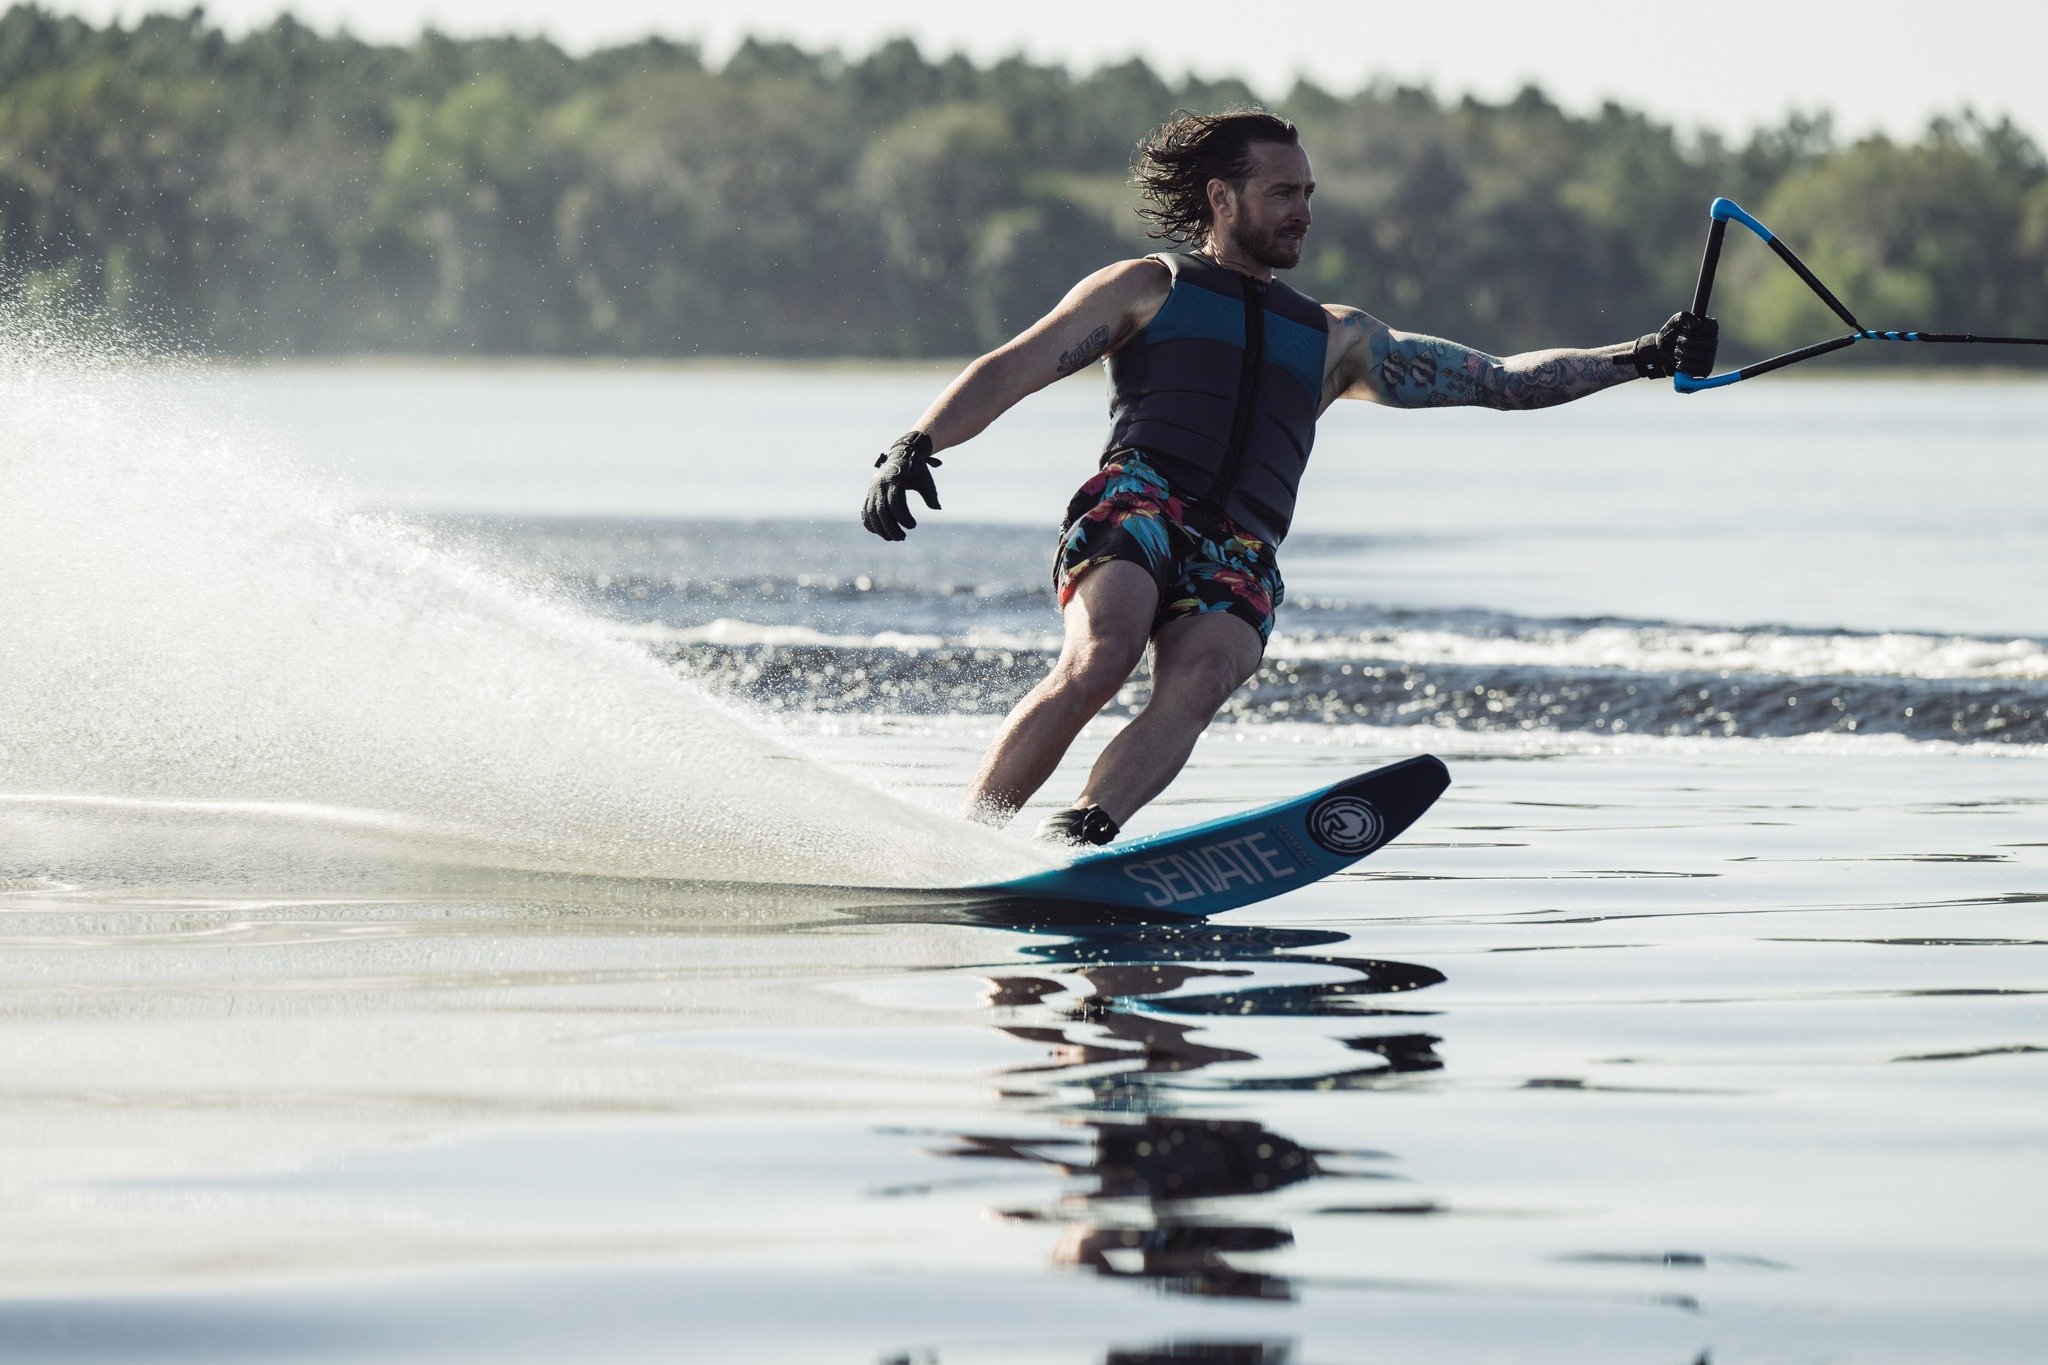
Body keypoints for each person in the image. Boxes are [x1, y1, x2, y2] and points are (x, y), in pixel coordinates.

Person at [861, 110, 1717, 846]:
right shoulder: (1149, 287)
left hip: (1240, 542)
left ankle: (1078, 833)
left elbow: (1505, 380)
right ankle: (967, 841)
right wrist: (918, 443)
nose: (1304, 213)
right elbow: (1016, 365)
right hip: (1142, 503)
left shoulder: (1337, 338)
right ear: (1221, 199)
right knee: (1106, 652)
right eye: (1284, 193)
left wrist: (1639, 356)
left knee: (1202, 677)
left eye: (1308, 194)